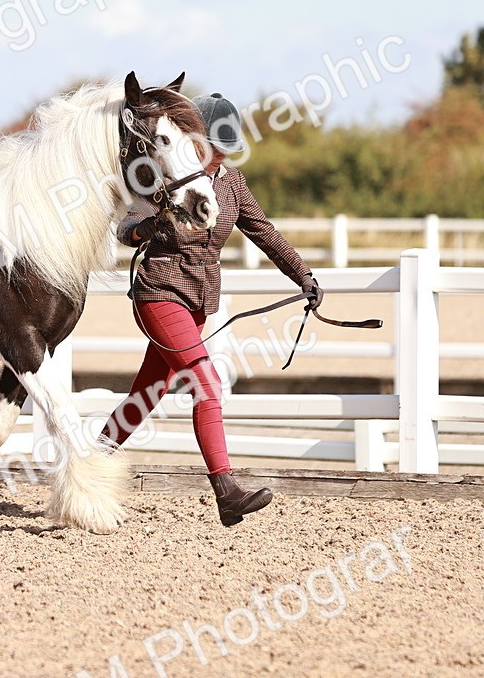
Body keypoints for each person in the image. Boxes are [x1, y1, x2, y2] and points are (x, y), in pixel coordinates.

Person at [100, 92, 324, 526]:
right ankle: (226, 491)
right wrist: (146, 228)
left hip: (199, 303)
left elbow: (265, 233)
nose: (217, 156)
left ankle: (88, 463)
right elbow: (124, 229)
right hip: (159, 293)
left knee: (145, 396)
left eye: (224, 148)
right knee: (207, 381)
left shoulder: (232, 183)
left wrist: (304, 277)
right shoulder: (162, 180)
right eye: (210, 146)